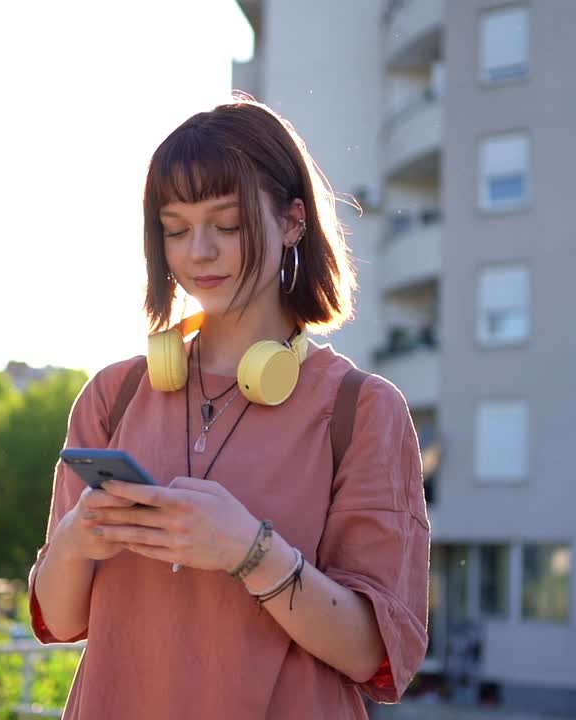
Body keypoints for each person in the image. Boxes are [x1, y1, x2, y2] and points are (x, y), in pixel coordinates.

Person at [27, 98, 431, 719]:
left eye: (228, 223)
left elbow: (373, 652)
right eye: (176, 228)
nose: (199, 252)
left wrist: (249, 550)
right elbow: (58, 619)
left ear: (293, 221)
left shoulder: (363, 411)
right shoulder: (113, 396)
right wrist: (78, 537)